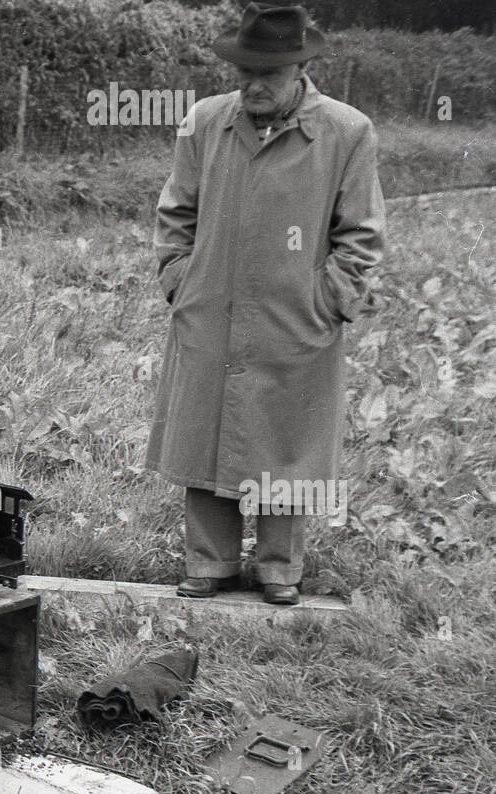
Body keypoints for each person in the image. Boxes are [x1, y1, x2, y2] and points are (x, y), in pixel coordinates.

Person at [146, 4, 385, 604]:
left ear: (301, 68)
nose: (253, 86)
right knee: (206, 428)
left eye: (269, 75)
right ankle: (209, 562)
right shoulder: (203, 122)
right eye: (244, 73)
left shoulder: (348, 132)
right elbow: (177, 211)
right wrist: (181, 278)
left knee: (290, 439)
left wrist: (328, 301)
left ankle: (280, 569)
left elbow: (361, 233)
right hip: (210, 308)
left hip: (296, 317)